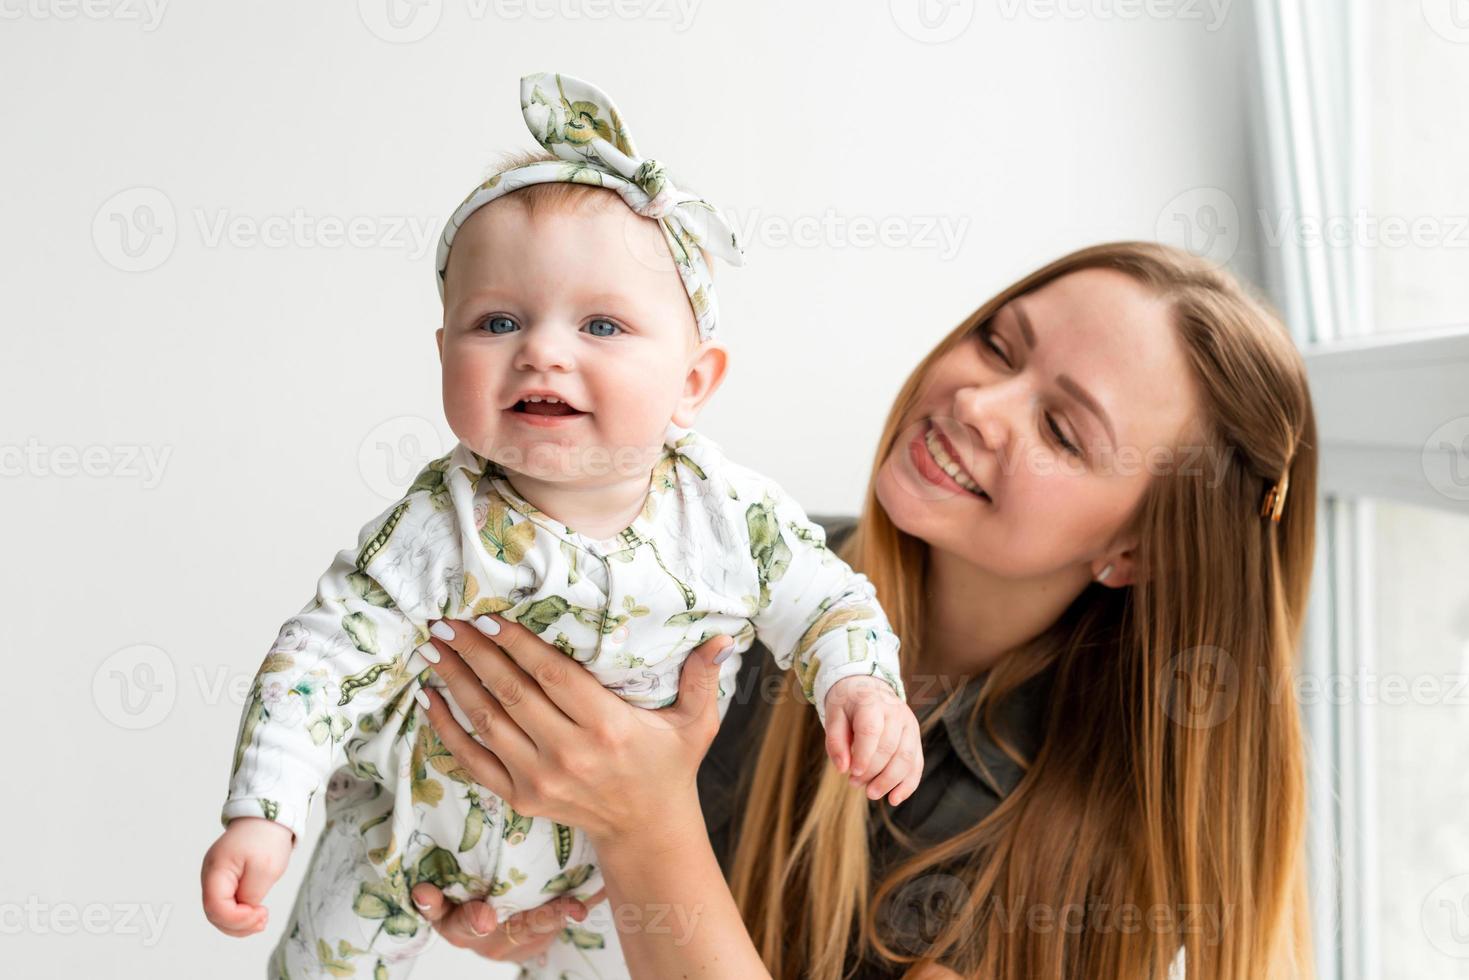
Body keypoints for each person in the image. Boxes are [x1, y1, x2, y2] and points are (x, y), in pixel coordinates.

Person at [409, 241, 1319, 979]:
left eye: (1061, 430)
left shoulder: (1092, 852)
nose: (976, 402)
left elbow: (644, 836)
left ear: (1134, 551)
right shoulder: (738, 574)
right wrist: (526, 891)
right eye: (998, 345)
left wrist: (642, 830)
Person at [199, 71, 921, 979]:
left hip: (606, 867)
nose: (542, 349)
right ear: (442, 355)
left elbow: (824, 603)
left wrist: (859, 687)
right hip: (404, 831)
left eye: (602, 325)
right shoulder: (438, 525)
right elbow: (317, 660)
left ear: (692, 383)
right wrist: (265, 810)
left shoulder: (729, 519)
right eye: (497, 320)